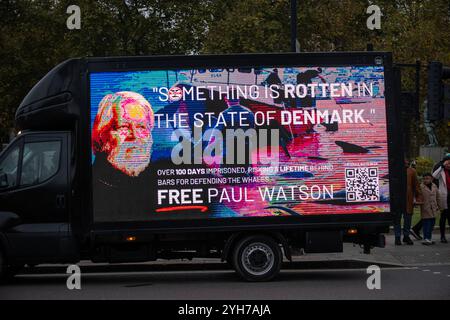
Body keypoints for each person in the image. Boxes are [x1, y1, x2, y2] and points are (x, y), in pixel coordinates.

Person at [91, 91, 155, 222]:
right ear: (103, 134)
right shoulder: (92, 187)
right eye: (124, 127)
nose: (135, 137)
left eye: (142, 127)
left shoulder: (153, 183)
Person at [394, 159, 423, 245]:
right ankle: (397, 237)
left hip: (408, 199)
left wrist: (419, 197)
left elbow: (416, 185)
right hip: (397, 199)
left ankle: (406, 236)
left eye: (406, 161)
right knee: (397, 220)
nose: (405, 162)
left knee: (408, 219)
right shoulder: (394, 170)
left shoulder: (411, 171)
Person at [432, 154, 450, 243]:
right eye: (448, 163)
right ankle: (442, 236)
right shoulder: (442, 171)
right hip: (445, 195)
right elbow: (434, 176)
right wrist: (442, 167)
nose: (449, 165)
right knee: (444, 216)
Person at [419, 173, 440, 245]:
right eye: (424, 178)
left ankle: (429, 238)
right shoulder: (421, 187)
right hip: (426, 208)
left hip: (434, 208)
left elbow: (438, 197)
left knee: (432, 224)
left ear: (431, 179)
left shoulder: (434, 186)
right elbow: (418, 196)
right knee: (426, 224)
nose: (425, 180)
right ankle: (426, 238)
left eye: (427, 178)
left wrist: (440, 206)